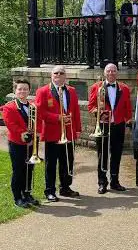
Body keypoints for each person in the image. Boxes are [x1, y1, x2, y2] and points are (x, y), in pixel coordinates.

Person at [35, 66, 82, 202]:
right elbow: (41, 112)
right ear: (51, 75)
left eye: (62, 73)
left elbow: (76, 111)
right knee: (51, 164)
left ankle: (65, 187)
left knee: (67, 162)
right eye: (56, 73)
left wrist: (77, 129)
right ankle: (49, 191)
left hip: (68, 132)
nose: (59, 75)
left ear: (65, 76)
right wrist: (58, 117)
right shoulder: (43, 91)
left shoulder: (71, 91)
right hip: (52, 132)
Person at [88, 63, 132, 194]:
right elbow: (91, 106)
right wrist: (98, 112)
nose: (111, 73)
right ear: (104, 73)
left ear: (117, 73)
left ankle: (115, 181)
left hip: (118, 125)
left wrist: (128, 119)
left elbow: (127, 106)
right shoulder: (96, 87)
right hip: (102, 125)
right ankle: (102, 183)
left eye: (113, 71)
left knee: (117, 154)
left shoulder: (124, 88)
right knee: (102, 155)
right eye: (109, 71)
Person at [3, 79, 41, 208]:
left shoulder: (32, 106)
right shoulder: (9, 107)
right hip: (17, 143)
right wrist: (25, 132)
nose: (22, 91)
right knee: (18, 170)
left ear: (29, 91)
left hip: (31, 143)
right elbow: (11, 124)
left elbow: (38, 121)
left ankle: (27, 194)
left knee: (29, 169)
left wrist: (37, 132)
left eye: (25, 89)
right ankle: (17, 197)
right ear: (15, 90)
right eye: (20, 89)